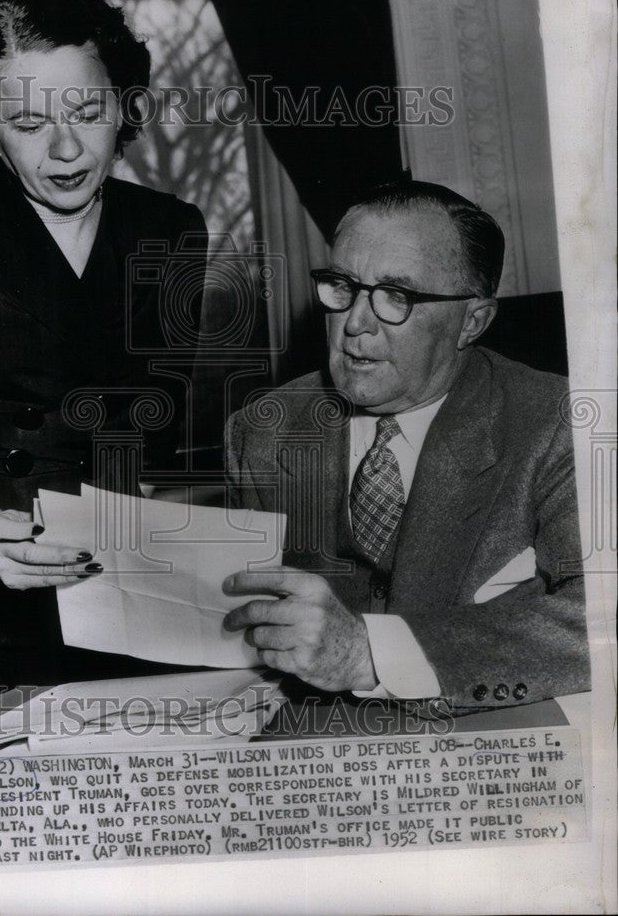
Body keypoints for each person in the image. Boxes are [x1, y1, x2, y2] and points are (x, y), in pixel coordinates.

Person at [0, 0, 207, 710]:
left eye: (89, 111)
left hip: (129, 579)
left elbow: (155, 420)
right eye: (30, 123)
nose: (68, 148)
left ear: (124, 107)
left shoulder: (172, 229)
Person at [222, 180, 589, 712]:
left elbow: (597, 619)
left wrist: (370, 653)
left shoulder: (559, 424)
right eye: (341, 286)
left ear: (473, 321)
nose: (355, 323)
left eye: (398, 295)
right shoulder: (262, 428)